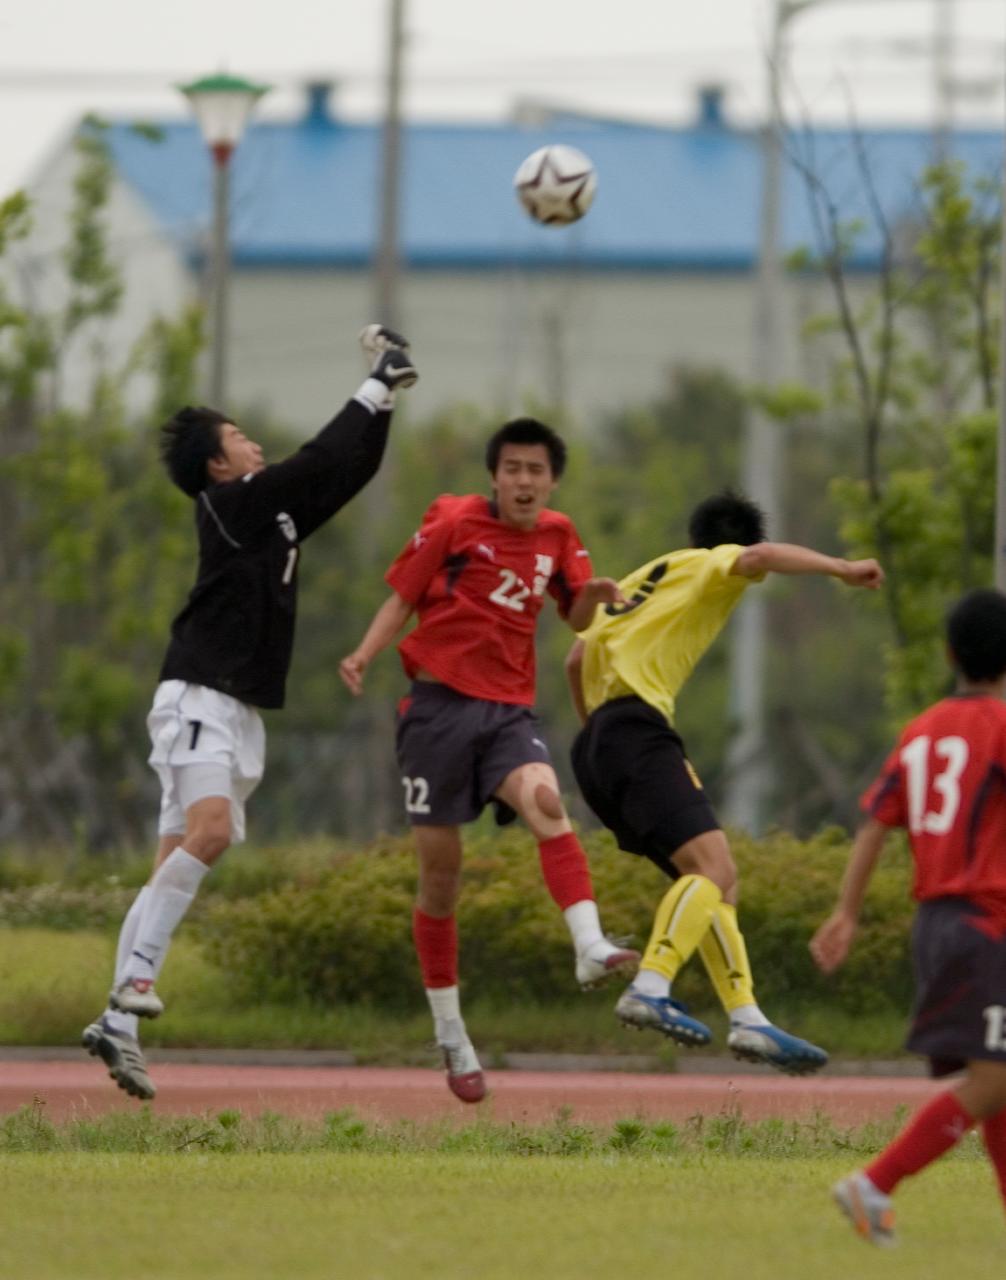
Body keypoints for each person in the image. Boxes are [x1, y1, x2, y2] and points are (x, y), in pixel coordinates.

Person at [81, 325, 419, 1101]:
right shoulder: (227, 505)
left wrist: (385, 395)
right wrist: (373, 382)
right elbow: (316, 461)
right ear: (215, 464)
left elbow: (345, 470)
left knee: (178, 858)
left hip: (232, 707)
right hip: (199, 695)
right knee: (210, 833)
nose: (255, 444)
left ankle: (117, 1024)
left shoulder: (273, 516)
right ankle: (135, 980)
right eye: (239, 438)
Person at [339, 417, 640, 1102]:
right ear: (494, 475)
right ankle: (451, 1032)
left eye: (536, 470)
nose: (524, 481)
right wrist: (364, 652)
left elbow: (577, 619)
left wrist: (595, 597)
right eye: (512, 468)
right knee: (442, 882)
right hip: (437, 713)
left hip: (507, 712)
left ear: (552, 479)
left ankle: (589, 945)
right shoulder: (452, 521)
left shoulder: (562, 536)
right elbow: (403, 596)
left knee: (546, 800)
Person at [566, 490, 884, 1072]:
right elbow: (758, 558)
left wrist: (599, 739)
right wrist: (841, 568)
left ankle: (748, 1020)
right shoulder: (711, 565)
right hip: (636, 728)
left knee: (717, 884)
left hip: (596, 744)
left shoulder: (644, 578)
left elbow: (572, 661)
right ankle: (651, 987)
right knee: (714, 870)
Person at [811, 588, 1006, 1247]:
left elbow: (873, 825)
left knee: (997, 1077)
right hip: (985, 928)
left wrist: (847, 911)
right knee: (995, 1078)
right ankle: (875, 1183)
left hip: (936, 925)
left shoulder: (919, 731)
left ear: (950, 653)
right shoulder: (1001, 728)